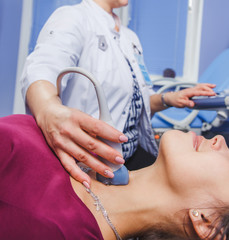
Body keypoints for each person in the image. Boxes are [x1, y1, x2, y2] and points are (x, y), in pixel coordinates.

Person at [20, 0, 216, 188]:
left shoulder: (130, 38)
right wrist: (47, 109)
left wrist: (169, 99)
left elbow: (134, 104)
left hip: (130, 156)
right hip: (90, 162)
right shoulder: (73, 17)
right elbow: (42, 69)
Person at [1, 114, 228, 240]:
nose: (220, 139)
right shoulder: (82, 145)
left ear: (207, 222)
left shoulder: (60, 231)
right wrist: (45, 103)